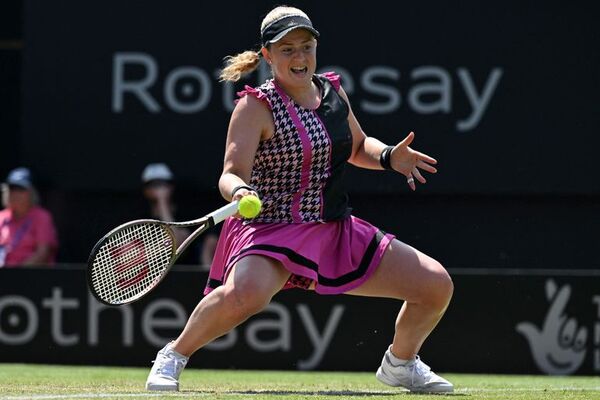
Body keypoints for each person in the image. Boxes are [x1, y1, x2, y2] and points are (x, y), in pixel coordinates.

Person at [145, 6, 454, 394]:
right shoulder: (254, 106)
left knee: (436, 286)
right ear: (267, 56)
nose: (299, 57)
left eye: (305, 47)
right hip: (272, 228)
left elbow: (358, 147)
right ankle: (173, 356)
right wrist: (240, 191)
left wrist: (390, 156)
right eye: (287, 49)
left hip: (334, 227)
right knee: (248, 294)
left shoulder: (332, 91)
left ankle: (401, 364)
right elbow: (230, 173)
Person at [141, 163, 217, 267]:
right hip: (152, 277)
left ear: (171, 187)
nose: (159, 189)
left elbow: (177, 243)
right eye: (153, 184)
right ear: (145, 190)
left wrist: (162, 202)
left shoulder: (186, 215)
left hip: (184, 275)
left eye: (163, 184)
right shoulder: (138, 217)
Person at [0, 167, 59, 267]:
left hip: (32, 277)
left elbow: (43, 253)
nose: (15, 193)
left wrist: (17, 273)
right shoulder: (1, 216)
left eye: (20, 189)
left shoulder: (42, 217)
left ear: (31, 193)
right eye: (12, 188)